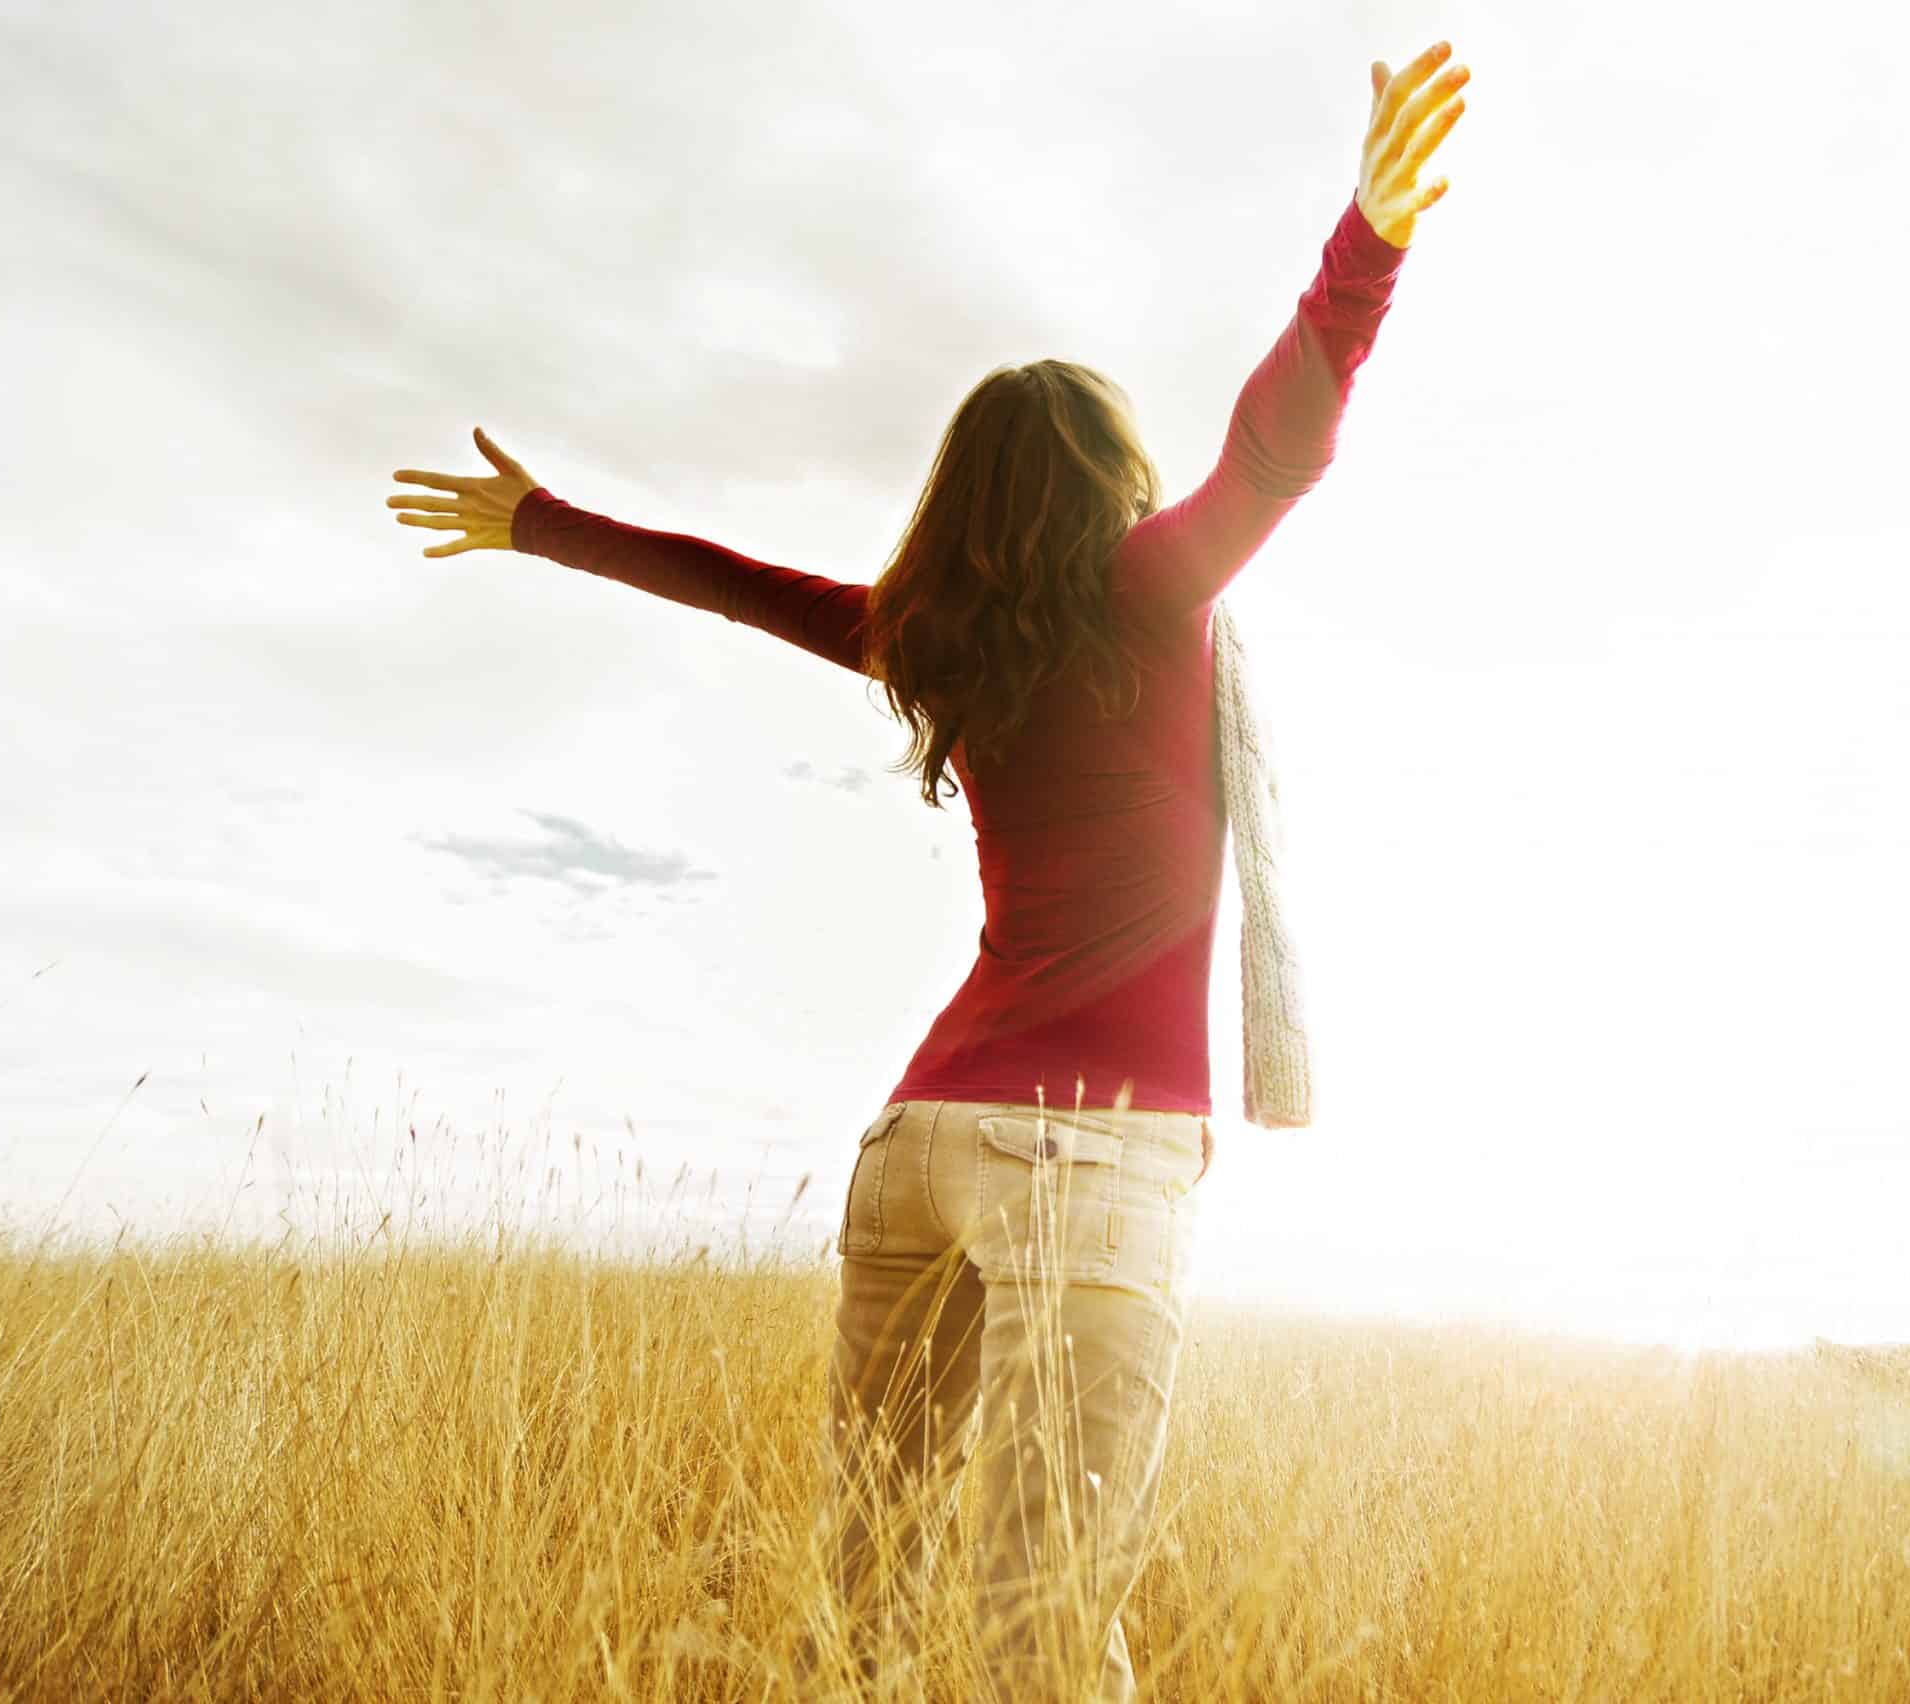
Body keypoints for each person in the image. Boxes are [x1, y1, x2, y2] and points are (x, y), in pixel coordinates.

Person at [386, 40, 1467, 1701]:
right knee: (1045, 1628)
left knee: (871, 1596)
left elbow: (738, 583)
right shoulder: (1157, 592)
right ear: (1114, 485)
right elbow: (1275, 447)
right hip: (1091, 1160)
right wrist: (1367, 244)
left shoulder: (930, 635)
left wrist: (543, 524)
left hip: (920, 1137)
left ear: (962, 502)